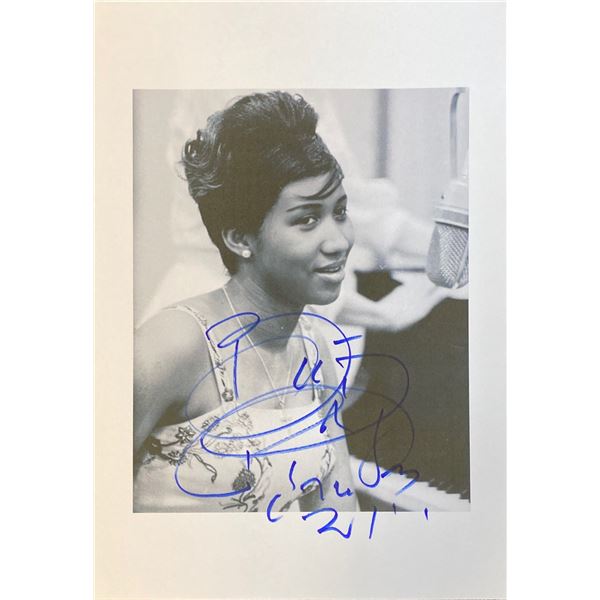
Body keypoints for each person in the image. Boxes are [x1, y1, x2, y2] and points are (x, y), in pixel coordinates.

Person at [133, 91, 358, 512]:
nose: (339, 241)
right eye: (307, 219)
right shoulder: (171, 345)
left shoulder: (316, 350)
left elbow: (339, 519)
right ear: (240, 238)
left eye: (340, 212)